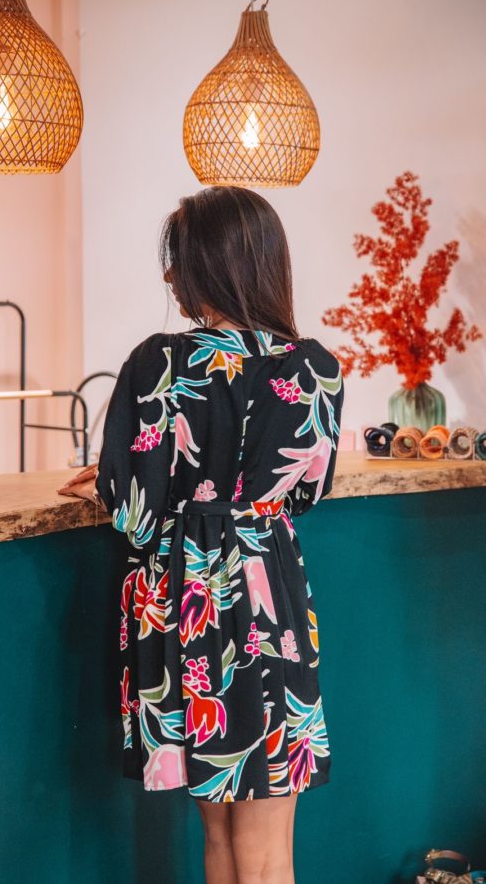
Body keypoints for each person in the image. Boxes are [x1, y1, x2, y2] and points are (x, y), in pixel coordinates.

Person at [57, 186, 344, 884]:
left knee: (216, 834)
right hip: (265, 598)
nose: (169, 275)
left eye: (178, 259)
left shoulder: (157, 363)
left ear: (206, 266)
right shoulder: (314, 367)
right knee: (269, 847)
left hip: (182, 604)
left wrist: (106, 483)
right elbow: (307, 490)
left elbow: (136, 512)